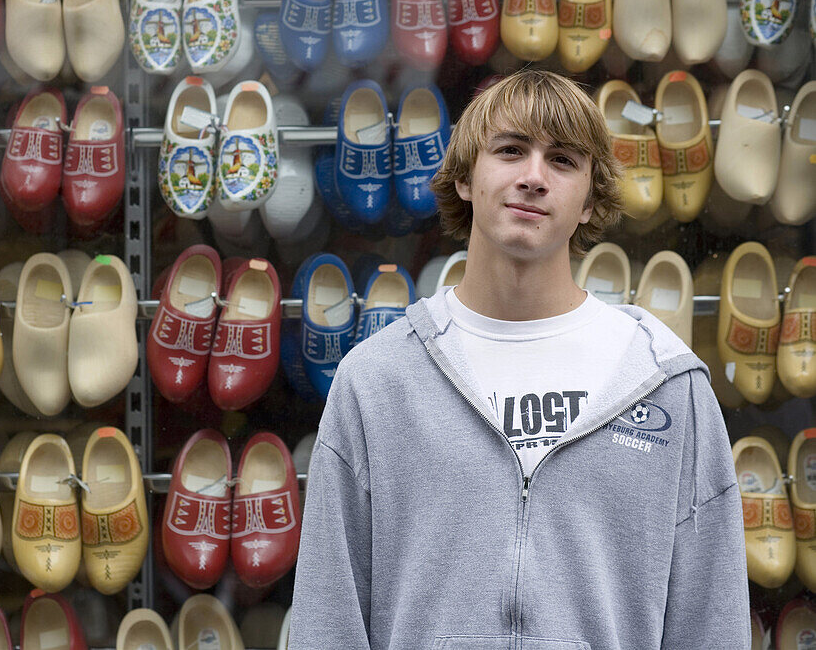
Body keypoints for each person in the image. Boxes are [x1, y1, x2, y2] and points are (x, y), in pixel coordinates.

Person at [288, 70, 748, 649]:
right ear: (464, 178)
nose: (533, 177)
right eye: (510, 151)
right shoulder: (377, 381)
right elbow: (327, 617)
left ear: (589, 200)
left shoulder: (665, 385)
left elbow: (711, 618)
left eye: (562, 161)